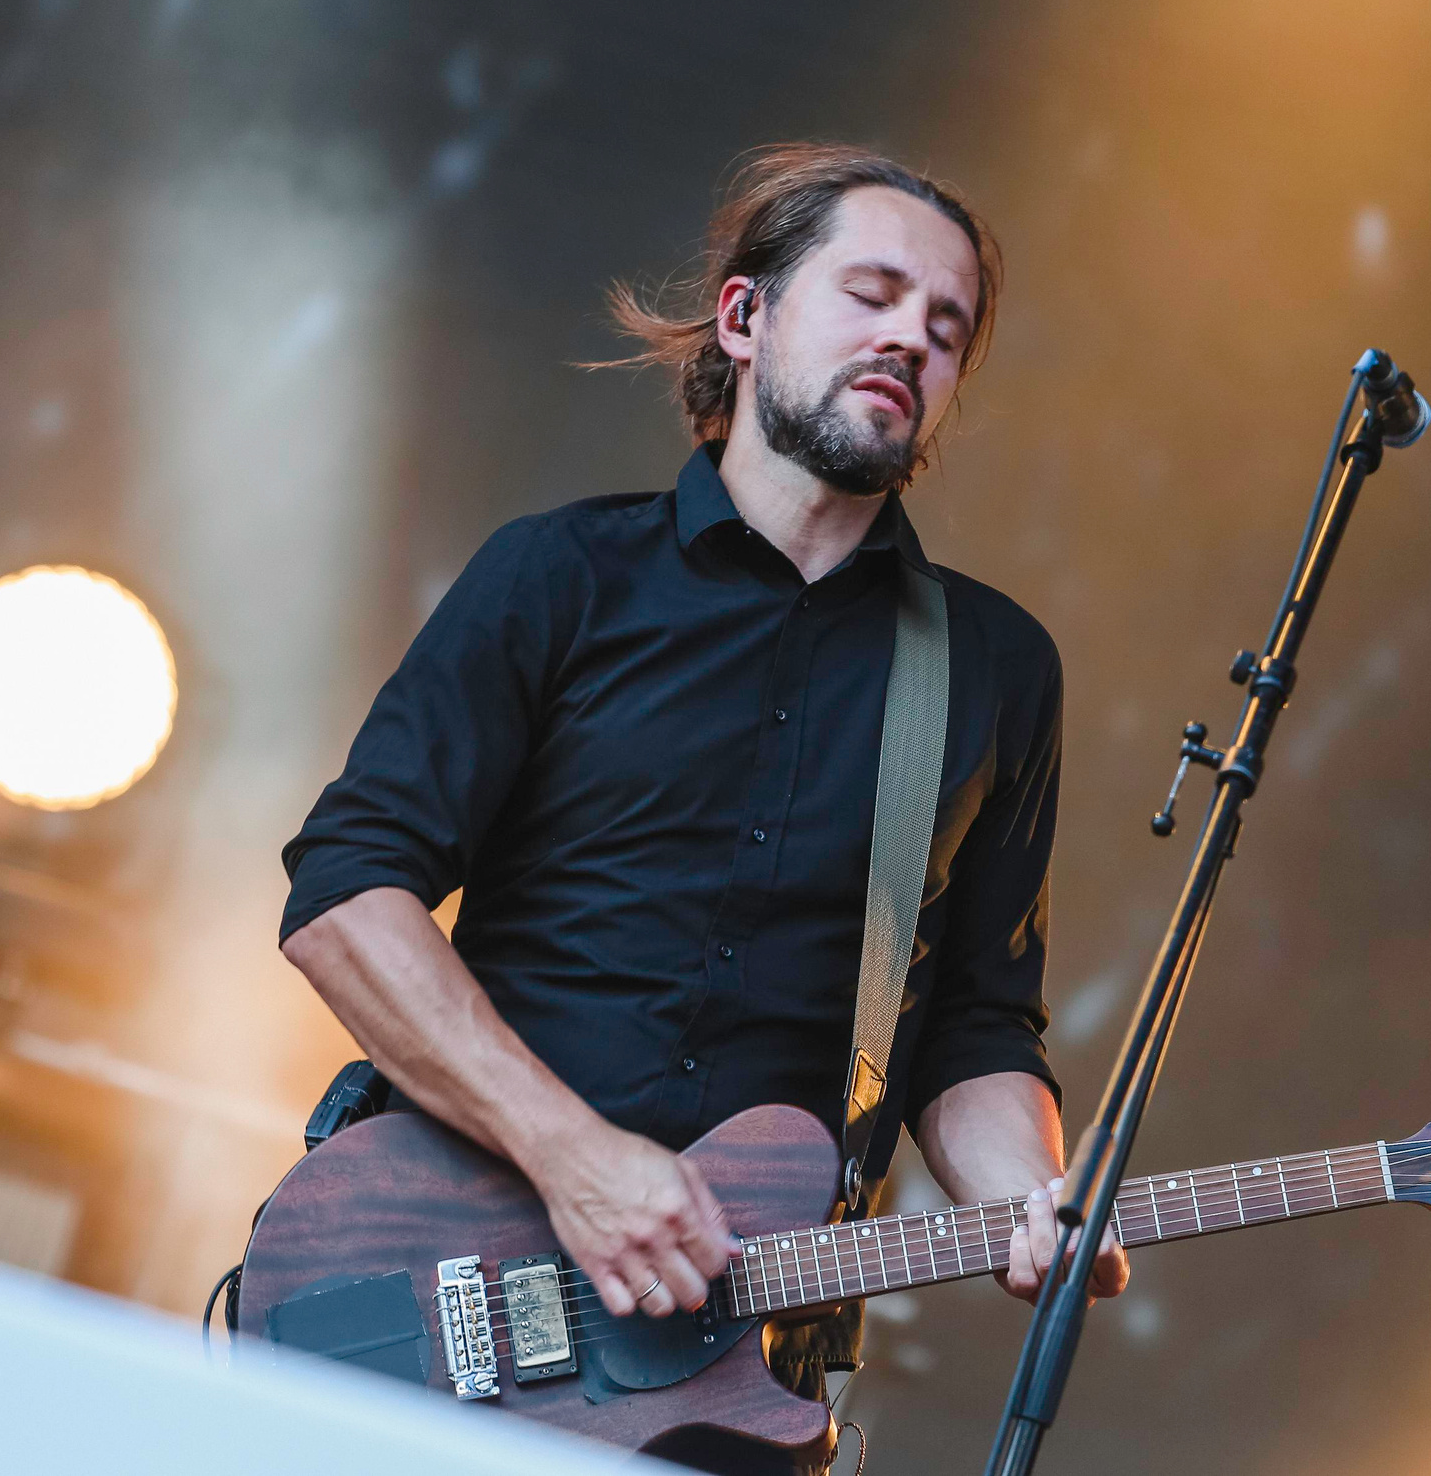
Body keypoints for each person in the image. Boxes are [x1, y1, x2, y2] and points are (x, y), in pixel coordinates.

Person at [277, 144, 1125, 1471]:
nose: (912, 337)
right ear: (745, 318)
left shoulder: (994, 671)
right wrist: (571, 1156)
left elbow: (973, 1024)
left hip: (732, 1384)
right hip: (449, 1303)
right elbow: (344, 893)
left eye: (945, 328)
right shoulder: (560, 576)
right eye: (874, 293)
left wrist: (1026, 1203)